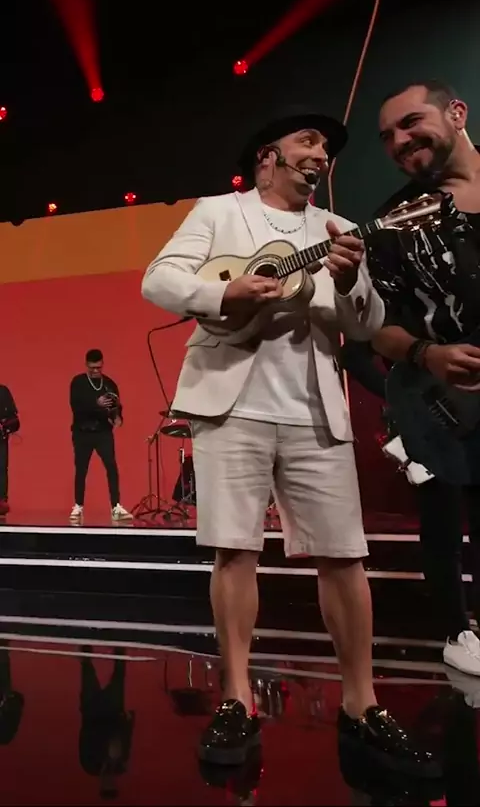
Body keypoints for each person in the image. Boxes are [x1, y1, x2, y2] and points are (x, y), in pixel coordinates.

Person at [142, 106, 436, 774]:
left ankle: (361, 703)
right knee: (234, 551)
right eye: (308, 140)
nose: (321, 152)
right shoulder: (220, 212)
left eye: (326, 147)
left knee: (344, 556)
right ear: (266, 156)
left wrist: (349, 279)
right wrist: (225, 296)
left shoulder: (337, 229)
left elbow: (365, 324)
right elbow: (159, 279)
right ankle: (237, 697)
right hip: (231, 404)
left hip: (313, 406)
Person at [366, 79, 480, 676]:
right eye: (388, 136)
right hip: (444, 402)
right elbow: (375, 329)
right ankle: (459, 633)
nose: (400, 141)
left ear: (456, 113)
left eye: (411, 123)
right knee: (444, 516)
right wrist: (428, 355)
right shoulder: (392, 222)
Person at [69, 349, 133, 525]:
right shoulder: (78, 382)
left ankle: (116, 506)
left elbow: (116, 406)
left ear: (102, 364)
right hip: (82, 432)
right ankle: (78, 506)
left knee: (111, 467)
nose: (95, 371)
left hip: (103, 432)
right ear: (86, 365)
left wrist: (118, 417)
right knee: (81, 469)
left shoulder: (109, 384)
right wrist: (96, 404)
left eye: (98, 367)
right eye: (92, 368)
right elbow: (76, 407)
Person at [0, 385, 20, 516]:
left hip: (0, 439)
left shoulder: (2, 391)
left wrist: (5, 426)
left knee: (1, 468)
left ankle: (1, 500)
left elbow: (14, 419)